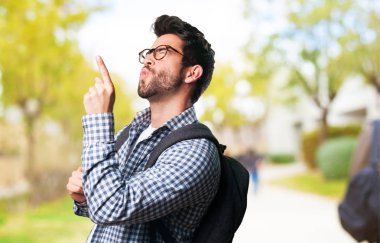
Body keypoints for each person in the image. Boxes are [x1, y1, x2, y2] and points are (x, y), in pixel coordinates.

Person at [66, 15, 220, 242]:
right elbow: (108, 210)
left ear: (191, 73)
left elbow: (112, 207)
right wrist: (83, 199)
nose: (148, 58)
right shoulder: (130, 133)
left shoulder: (195, 152)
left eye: (162, 52)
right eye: (149, 52)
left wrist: (99, 119)